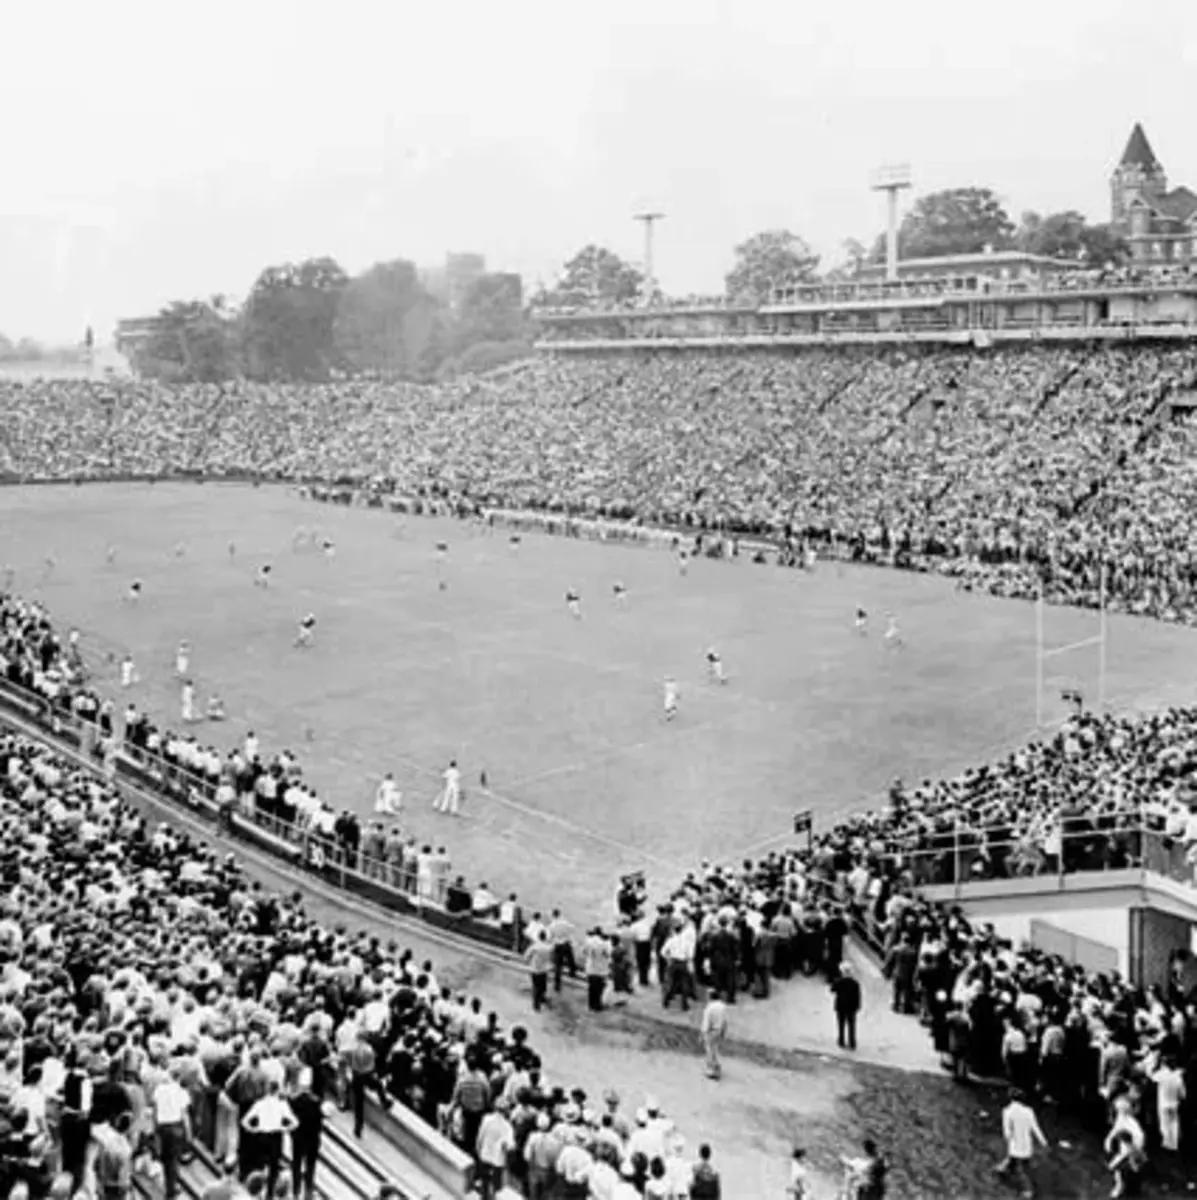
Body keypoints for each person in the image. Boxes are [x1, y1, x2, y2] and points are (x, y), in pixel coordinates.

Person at [241, 1079, 296, 1198]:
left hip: (262, 1136)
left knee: (260, 1165)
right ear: (277, 1091)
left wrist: (253, 1129)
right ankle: (269, 1194)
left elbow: (245, 1121)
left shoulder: (260, 1103)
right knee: (273, 1168)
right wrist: (283, 1128)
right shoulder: (282, 1105)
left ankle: (257, 1192)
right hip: (275, 1137)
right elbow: (295, 1123)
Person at [995, 1088, 1047, 1200]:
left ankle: (1028, 1191)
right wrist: (1043, 1141)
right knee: (1020, 1162)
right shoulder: (1029, 1111)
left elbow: (1007, 1132)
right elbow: (1035, 1127)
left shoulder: (1007, 1111)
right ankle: (1002, 1168)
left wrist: (1008, 1140)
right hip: (1027, 1145)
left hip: (1015, 1144)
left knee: (1021, 1169)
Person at [700, 989, 729, 1080]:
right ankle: (717, 1066)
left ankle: (712, 1070)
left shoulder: (709, 1008)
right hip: (719, 1030)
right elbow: (725, 1020)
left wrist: (703, 1034)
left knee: (709, 1050)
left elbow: (706, 1022)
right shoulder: (723, 1006)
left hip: (711, 1031)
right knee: (715, 1049)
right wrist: (724, 1031)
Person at [832, 964, 861, 1050]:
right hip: (851, 1007)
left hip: (841, 1006)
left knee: (841, 1025)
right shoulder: (855, 983)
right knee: (851, 1026)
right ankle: (852, 1043)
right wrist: (857, 1006)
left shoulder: (839, 982)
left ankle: (841, 1041)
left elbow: (832, 989)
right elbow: (858, 996)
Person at [525, 929, 553, 1011]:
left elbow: (526, 956)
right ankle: (541, 999)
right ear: (545, 938)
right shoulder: (548, 947)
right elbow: (550, 958)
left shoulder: (534, 946)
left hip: (535, 969)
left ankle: (536, 1005)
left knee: (536, 987)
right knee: (543, 986)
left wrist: (528, 961)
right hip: (544, 970)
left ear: (539, 937)